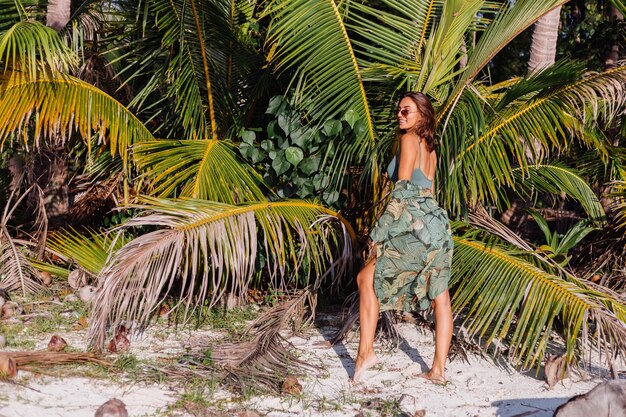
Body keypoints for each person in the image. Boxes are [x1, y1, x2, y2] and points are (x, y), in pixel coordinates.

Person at [352, 92, 454, 385]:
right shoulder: (430, 148)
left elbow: (403, 192)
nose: (400, 114)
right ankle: (438, 371)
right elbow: (426, 194)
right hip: (437, 226)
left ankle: (365, 353)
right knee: (440, 297)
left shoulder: (409, 140)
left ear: (422, 115)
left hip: (415, 225)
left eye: (407, 111)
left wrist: (378, 233)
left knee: (365, 279)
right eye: (399, 110)